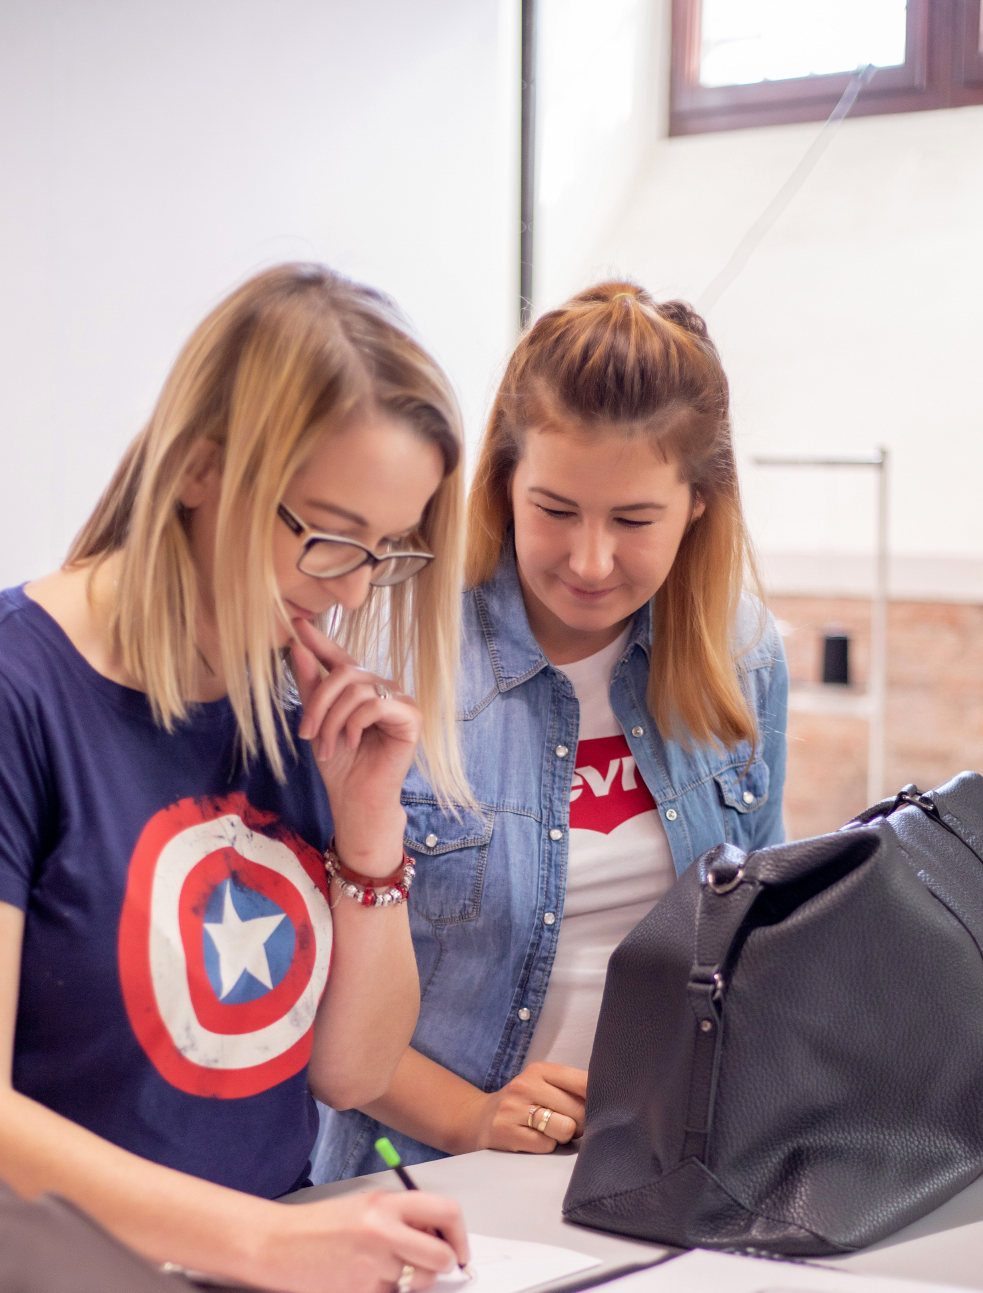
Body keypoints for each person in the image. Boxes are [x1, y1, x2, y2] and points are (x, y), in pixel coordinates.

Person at [0, 264, 471, 1293]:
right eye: (327, 536)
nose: (352, 592)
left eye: (386, 551)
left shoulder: (291, 707)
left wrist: (367, 829)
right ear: (199, 470)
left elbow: (349, 1072)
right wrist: (265, 1243)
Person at [314, 281, 788, 1180]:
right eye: (555, 510)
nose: (591, 561)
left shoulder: (743, 655)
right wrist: (470, 1117)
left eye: (634, 520)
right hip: (425, 1178)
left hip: (665, 1173)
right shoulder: (390, 658)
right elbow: (311, 996)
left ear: (699, 503)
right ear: (503, 481)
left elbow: (761, 940)